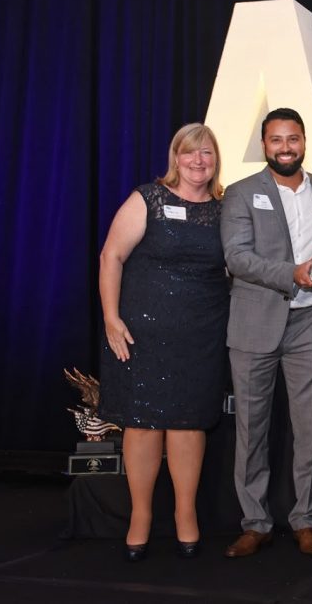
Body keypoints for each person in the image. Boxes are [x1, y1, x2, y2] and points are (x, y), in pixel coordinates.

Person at [99, 123, 229, 562]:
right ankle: (140, 516)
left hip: (202, 333)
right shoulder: (147, 199)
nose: (199, 161)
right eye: (190, 153)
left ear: (215, 160)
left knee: (189, 422)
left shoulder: (225, 208)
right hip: (144, 330)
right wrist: (111, 319)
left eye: (206, 153)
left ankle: (185, 515)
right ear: (176, 158)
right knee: (143, 423)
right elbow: (111, 256)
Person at [220, 107, 312, 558]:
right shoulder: (242, 193)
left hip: (309, 324)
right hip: (254, 324)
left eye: (293, 139)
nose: (285, 147)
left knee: (310, 431)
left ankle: (307, 520)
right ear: (264, 145)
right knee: (251, 430)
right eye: (276, 140)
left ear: (304, 142)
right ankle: (255, 522)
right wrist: (295, 273)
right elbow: (237, 258)